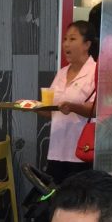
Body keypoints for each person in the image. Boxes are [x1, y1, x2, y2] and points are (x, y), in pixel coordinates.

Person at [44, 21, 98, 185]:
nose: (66, 44)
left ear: (87, 44)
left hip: (82, 151)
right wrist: (35, 108)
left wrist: (73, 107)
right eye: (65, 39)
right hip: (57, 150)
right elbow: (52, 111)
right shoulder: (61, 73)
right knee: (55, 198)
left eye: (72, 39)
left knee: (78, 201)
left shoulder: (95, 71)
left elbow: (97, 109)